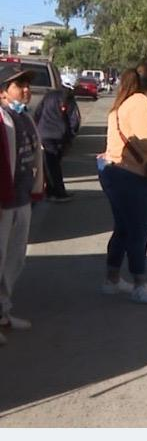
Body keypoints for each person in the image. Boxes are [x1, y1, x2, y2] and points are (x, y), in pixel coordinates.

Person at [98, 63, 147, 305]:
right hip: (132, 175)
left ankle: (112, 279)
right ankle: (140, 284)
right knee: (140, 230)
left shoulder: (123, 103)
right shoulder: (141, 104)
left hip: (114, 171)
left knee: (123, 228)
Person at [0, 66, 43, 339]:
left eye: (27, 85)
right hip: (4, 202)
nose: (26, 90)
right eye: (19, 85)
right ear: (3, 93)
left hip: (22, 198)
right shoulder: (3, 119)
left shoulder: (24, 116)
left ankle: (3, 312)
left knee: (14, 260)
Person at [33, 81, 80, 203]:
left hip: (44, 134)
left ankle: (51, 192)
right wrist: (70, 137)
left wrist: (37, 130)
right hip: (59, 136)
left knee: (49, 165)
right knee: (54, 166)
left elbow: (37, 114)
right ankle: (58, 193)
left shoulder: (48, 96)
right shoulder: (69, 99)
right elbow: (75, 120)